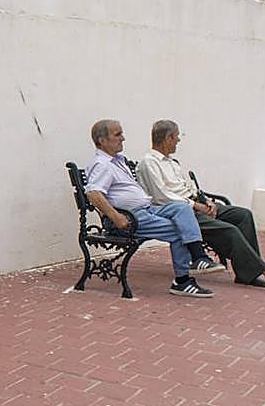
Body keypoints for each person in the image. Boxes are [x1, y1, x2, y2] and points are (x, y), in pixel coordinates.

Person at [137, 119, 265, 292]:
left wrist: (206, 201)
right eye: (176, 137)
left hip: (194, 204)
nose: (178, 141)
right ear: (167, 138)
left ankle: (247, 273)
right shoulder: (149, 162)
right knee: (230, 230)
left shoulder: (172, 162)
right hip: (180, 212)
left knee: (243, 215)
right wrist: (196, 206)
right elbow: (162, 196)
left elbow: (187, 188)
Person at [85, 119, 222, 298]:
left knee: (181, 208)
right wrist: (116, 217)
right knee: (180, 230)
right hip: (129, 219)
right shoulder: (102, 164)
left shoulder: (116, 161)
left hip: (147, 210)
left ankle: (199, 258)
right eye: (117, 135)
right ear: (102, 140)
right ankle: (183, 281)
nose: (123, 138)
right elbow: (93, 193)